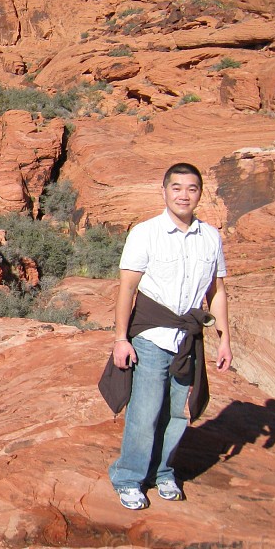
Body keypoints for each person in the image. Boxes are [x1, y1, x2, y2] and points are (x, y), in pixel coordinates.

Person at [108, 162, 232, 510]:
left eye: (191, 188)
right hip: (151, 335)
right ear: (164, 191)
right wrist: (121, 338)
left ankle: (163, 472)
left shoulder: (210, 237)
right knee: (145, 411)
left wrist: (224, 339)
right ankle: (129, 477)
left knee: (179, 411)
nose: (183, 195)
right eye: (176, 187)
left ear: (199, 194)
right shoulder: (145, 233)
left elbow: (217, 292)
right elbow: (127, 289)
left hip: (188, 339)